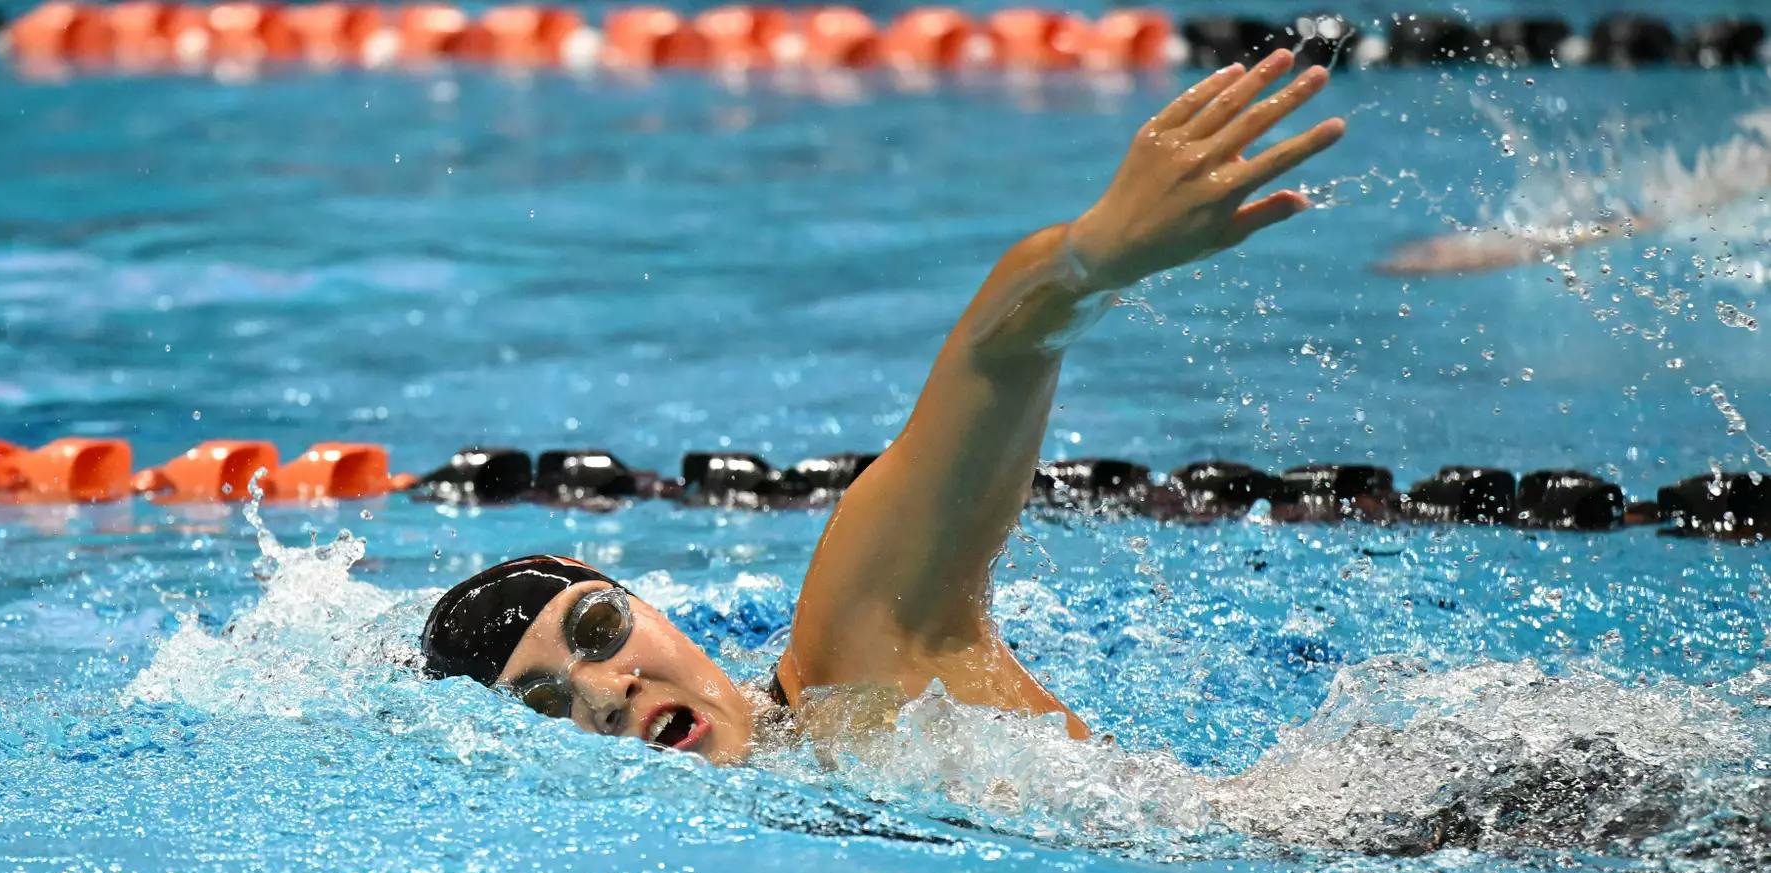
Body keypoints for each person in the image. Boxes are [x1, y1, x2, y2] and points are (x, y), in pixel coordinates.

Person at [421, 50, 1347, 766]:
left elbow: (999, 351)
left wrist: (1086, 261)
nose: (604, 693)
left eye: (596, 631)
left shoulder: (859, 656)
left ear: (649, 609)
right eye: (546, 703)